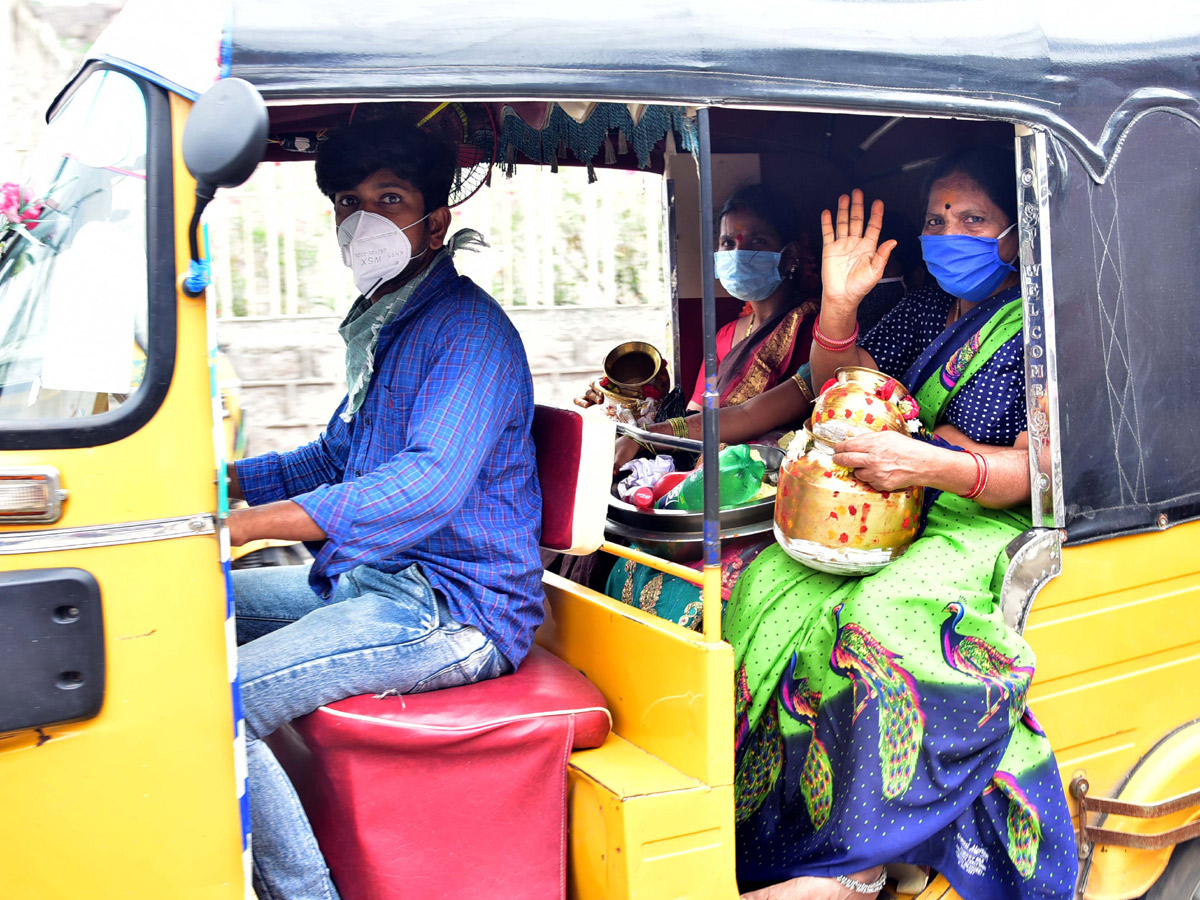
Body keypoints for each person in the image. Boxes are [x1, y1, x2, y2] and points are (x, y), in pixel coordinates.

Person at [623, 146, 1076, 900]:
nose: (948, 233)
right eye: (937, 218)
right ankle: (763, 814)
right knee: (758, 580)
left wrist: (934, 463)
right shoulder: (926, 308)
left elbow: (1043, 472)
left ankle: (860, 860)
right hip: (885, 507)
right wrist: (838, 306)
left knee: (876, 616)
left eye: (973, 219)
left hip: (977, 521)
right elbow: (841, 393)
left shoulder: (1041, 326)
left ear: (1014, 234)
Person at [224, 117, 543, 900]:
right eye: (347, 200)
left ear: (434, 222)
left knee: (214, 706)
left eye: (388, 197)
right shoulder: (391, 323)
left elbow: (425, 484)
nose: (361, 219)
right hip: (378, 582)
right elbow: (339, 456)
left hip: (456, 608)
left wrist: (249, 528)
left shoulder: (466, 331)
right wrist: (225, 485)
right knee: (191, 602)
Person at [686, 183, 820, 411]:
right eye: (728, 243)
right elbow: (701, 407)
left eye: (758, 240)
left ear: (790, 255)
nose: (738, 254)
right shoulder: (723, 337)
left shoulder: (813, 329)